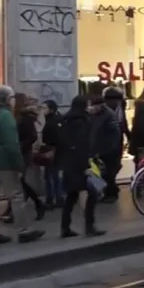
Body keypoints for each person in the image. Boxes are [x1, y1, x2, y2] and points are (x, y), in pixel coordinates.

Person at [0, 85, 44, 246]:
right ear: (8, 99)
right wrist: (18, 165)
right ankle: (23, 230)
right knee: (16, 195)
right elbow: (11, 144)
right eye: (12, 98)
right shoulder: (6, 117)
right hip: (6, 161)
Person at [60, 95, 105, 237]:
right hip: (80, 164)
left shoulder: (67, 119)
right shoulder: (82, 121)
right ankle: (89, 226)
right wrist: (86, 165)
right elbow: (82, 145)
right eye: (88, 104)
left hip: (69, 163)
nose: (90, 107)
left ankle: (65, 227)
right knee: (93, 192)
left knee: (71, 196)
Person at [8, 94, 45, 221]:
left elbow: (32, 136)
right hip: (20, 153)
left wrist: (20, 146)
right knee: (18, 182)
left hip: (23, 154)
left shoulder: (26, 118)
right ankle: (14, 209)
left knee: (18, 182)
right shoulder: (18, 117)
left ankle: (37, 204)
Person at [88, 96, 121, 203]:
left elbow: (116, 133)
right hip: (98, 148)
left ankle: (112, 194)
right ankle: (108, 191)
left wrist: (113, 147)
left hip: (108, 149)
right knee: (102, 173)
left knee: (109, 173)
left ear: (101, 105)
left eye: (94, 106)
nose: (92, 108)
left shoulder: (109, 115)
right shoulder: (94, 115)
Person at [41, 100, 65, 208]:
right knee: (53, 176)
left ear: (51, 109)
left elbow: (56, 138)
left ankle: (53, 199)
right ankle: (57, 198)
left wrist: (52, 149)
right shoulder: (56, 119)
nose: (43, 110)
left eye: (45, 108)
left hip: (53, 151)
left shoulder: (52, 122)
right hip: (55, 151)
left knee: (51, 176)